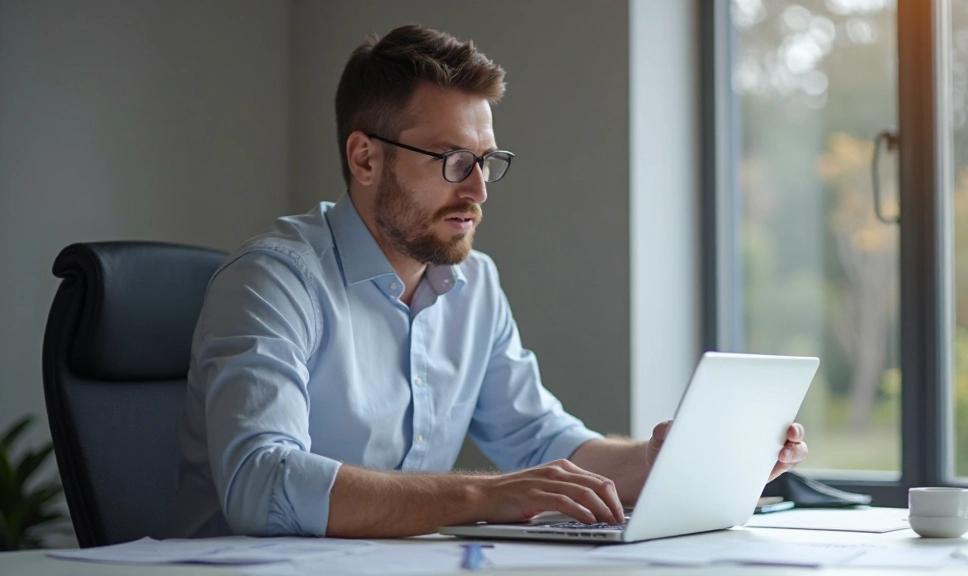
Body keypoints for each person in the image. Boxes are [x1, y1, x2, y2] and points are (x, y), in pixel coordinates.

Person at [173, 24, 808, 540]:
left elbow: (541, 441)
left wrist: (668, 462)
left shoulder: (473, 284)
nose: (478, 190)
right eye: (453, 160)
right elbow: (261, 482)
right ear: (365, 158)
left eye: (485, 161)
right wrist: (482, 496)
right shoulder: (273, 281)